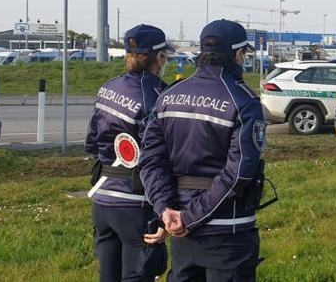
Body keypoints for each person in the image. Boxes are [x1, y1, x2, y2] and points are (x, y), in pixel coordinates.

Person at [141, 19, 269, 281]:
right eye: (244, 53)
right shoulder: (243, 100)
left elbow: (151, 161)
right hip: (226, 232)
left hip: (180, 230)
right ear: (236, 54)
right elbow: (238, 174)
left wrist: (166, 210)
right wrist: (190, 217)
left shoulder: (169, 96)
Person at [85, 24, 172, 281]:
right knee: (138, 276)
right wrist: (164, 211)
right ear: (160, 57)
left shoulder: (107, 88)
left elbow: (92, 142)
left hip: (102, 200)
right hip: (137, 203)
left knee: (107, 276)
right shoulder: (160, 96)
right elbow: (162, 159)